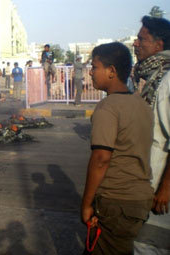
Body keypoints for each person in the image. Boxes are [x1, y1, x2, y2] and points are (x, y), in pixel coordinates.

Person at [81, 42, 154, 254]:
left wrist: (86, 204)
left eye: (95, 67)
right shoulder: (142, 104)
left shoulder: (108, 107)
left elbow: (101, 159)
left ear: (111, 71)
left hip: (117, 201)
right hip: (138, 200)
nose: (91, 73)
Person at [133, 16, 170, 254]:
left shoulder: (166, 81)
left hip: (160, 189)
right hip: (149, 181)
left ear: (159, 45)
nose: (136, 43)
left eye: (141, 38)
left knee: (148, 246)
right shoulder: (152, 78)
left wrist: (165, 187)